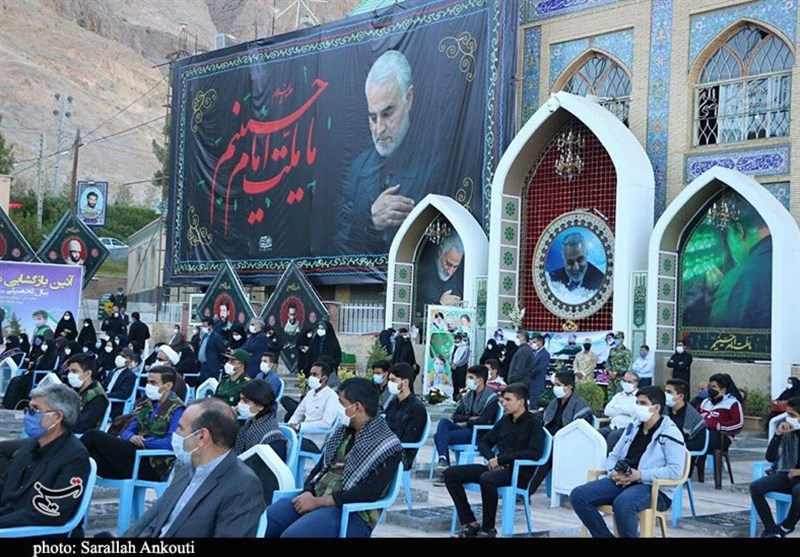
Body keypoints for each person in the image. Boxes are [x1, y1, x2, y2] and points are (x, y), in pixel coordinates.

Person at [332, 49, 442, 255]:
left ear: (409, 98)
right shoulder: (358, 170)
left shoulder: (438, 162)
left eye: (387, 113)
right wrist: (369, 221)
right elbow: (339, 247)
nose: (379, 128)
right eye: (372, 118)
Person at [265, 377, 403, 538]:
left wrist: (318, 502)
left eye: (341, 403)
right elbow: (319, 469)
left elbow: (368, 492)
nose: (337, 408)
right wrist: (308, 492)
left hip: (351, 512)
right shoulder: (342, 433)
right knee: (263, 522)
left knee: (293, 535)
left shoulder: (386, 446)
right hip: (317, 496)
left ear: (357, 407)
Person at [125, 397, 264, 538]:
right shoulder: (186, 471)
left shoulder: (242, 485)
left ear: (202, 437)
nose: (176, 434)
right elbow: (150, 520)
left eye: (180, 428)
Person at [570, 386, 686, 538]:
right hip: (623, 481)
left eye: (643, 403)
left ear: (656, 408)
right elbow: (613, 456)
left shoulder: (670, 433)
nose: (638, 407)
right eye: (637, 402)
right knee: (579, 495)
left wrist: (640, 475)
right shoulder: (633, 427)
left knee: (624, 504)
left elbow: (675, 471)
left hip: (653, 488)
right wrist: (614, 472)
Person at [445, 382, 546, 538]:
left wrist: (502, 459)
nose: (504, 403)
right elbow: (484, 442)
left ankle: (488, 529)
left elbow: (534, 453)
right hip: (496, 467)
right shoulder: (505, 420)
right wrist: (492, 458)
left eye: (508, 400)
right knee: (451, 474)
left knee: (487, 479)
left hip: (517, 472)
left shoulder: (534, 423)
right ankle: (470, 522)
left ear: (521, 402)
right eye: (503, 400)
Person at [0, 383, 91, 530]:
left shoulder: (74, 456)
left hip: (32, 530)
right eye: (28, 409)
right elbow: (5, 486)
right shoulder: (30, 446)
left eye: (35, 410)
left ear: (57, 417)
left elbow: (50, 513)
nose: (28, 415)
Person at [81, 366, 185, 481]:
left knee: (93, 436)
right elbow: (126, 431)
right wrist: (131, 436)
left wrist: (145, 442)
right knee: (87, 459)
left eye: (153, 383)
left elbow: (172, 442)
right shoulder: (148, 404)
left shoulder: (177, 409)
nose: (148, 386)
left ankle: (65, 460)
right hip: (133, 459)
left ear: (168, 386)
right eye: (148, 382)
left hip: (152, 466)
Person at [527, 371, 593, 496]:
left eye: (558, 385)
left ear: (569, 387)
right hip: (549, 437)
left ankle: (528, 491)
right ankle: (519, 486)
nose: (555, 388)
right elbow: (545, 420)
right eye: (555, 385)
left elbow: (580, 429)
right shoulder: (555, 402)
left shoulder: (579, 403)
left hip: (567, 442)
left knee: (548, 453)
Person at [707, 200, 771, 328]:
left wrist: (726, 288)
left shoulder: (738, 279)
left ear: (739, 231)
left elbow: (720, 334)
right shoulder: (789, 262)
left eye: (728, 238)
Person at [433, 365, 498, 476]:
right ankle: (443, 461)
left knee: (438, 437)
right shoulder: (468, 396)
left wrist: (466, 423)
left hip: (478, 434)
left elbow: (485, 420)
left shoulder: (491, 398)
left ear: (480, 380)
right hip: (465, 429)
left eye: (471, 378)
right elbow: (455, 416)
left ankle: (444, 470)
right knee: (443, 422)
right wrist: (469, 418)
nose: (468, 380)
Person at [749, 396, 800, 538]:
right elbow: (770, 457)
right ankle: (772, 529)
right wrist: (778, 435)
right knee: (756, 487)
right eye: (787, 414)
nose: (788, 419)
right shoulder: (787, 430)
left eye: (792, 415)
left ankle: (786, 526)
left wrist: (798, 472)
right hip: (785, 474)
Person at [286, 360, 342, 453]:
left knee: (285, 443)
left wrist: (301, 426)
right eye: (310, 374)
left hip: (314, 442)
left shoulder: (331, 396)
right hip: (301, 436)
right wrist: (290, 425)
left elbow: (326, 423)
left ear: (324, 378)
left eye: (315, 375)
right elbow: (298, 414)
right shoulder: (310, 393)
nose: (311, 377)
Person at [697, 373, 744, 477]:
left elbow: (738, 424)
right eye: (710, 386)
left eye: (714, 387)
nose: (710, 389)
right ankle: (688, 474)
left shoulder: (732, 403)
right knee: (688, 441)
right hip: (703, 434)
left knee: (696, 442)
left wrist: (719, 426)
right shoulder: (705, 402)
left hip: (721, 437)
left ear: (723, 389)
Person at [384, 363, 428, 471]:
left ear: (405, 382)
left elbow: (408, 438)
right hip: (386, 449)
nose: (390, 384)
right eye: (389, 380)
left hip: (402, 456)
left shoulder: (416, 408)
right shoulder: (393, 404)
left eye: (393, 380)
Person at [234, 379, 287, 461]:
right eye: (240, 399)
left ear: (260, 406)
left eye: (245, 401)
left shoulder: (272, 438)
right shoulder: (249, 424)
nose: (240, 404)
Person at [415, 234, 465, 315]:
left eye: (455, 267)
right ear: (440, 251)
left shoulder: (460, 280)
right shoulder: (422, 273)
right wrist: (440, 304)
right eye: (448, 264)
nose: (450, 272)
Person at [65, 353, 109, 433]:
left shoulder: (97, 397)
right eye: (69, 371)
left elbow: (80, 427)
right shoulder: (79, 389)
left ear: (88, 373)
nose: (70, 375)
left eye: (74, 371)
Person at [599, 371, 640, 452]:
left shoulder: (639, 396)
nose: (626, 383)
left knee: (612, 436)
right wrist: (625, 410)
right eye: (624, 381)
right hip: (613, 426)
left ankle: (607, 459)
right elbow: (607, 411)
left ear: (636, 383)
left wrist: (617, 407)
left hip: (627, 428)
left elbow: (632, 411)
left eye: (629, 382)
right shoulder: (618, 395)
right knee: (597, 434)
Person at [664, 378, 707, 454]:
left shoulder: (695, 418)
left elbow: (698, 444)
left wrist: (675, 446)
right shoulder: (662, 411)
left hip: (682, 454)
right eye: (665, 391)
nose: (665, 394)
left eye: (669, 392)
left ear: (680, 396)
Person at [102, 347, 138, 418]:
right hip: (104, 401)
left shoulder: (130, 375)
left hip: (114, 405)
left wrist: (105, 395)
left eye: (123, 356)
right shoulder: (111, 372)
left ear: (130, 361)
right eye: (119, 355)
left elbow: (123, 393)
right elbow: (104, 386)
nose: (120, 357)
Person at [197, 316, 225, 385]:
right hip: (203, 366)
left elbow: (221, 351)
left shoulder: (216, 337)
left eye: (205, 326)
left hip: (212, 367)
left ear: (210, 326)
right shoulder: (204, 336)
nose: (203, 328)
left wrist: (216, 362)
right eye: (202, 326)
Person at [507, 330, 534, 396]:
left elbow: (520, 368)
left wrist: (512, 379)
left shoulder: (523, 350)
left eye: (517, 337)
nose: (516, 339)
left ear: (523, 338)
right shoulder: (524, 349)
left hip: (519, 382)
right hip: (522, 381)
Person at [605, 331, 632, 397]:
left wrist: (616, 372)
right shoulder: (612, 350)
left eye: (618, 338)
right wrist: (609, 371)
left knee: (620, 396)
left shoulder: (627, 352)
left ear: (622, 339)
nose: (616, 340)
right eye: (615, 338)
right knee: (610, 396)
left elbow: (626, 365)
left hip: (620, 378)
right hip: (611, 378)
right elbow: (608, 361)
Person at [256, 352, 283, 417]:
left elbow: (270, 396)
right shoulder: (259, 375)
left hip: (268, 408)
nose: (262, 363)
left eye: (265, 361)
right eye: (261, 361)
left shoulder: (274, 379)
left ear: (271, 364)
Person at [530, 334, 550, 408]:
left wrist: (530, 373)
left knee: (535, 401)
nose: (534, 344)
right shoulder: (536, 352)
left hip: (538, 381)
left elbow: (540, 368)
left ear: (540, 342)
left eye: (535, 342)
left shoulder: (545, 354)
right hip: (532, 381)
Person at [450, 333, 470, 397]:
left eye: (457, 340)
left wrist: (457, 364)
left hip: (461, 368)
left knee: (461, 384)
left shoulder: (465, 347)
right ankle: (455, 397)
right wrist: (451, 363)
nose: (456, 341)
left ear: (461, 340)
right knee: (455, 383)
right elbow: (451, 356)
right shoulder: (453, 346)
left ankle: (461, 397)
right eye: (455, 340)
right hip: (453, 367)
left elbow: (465, 359)